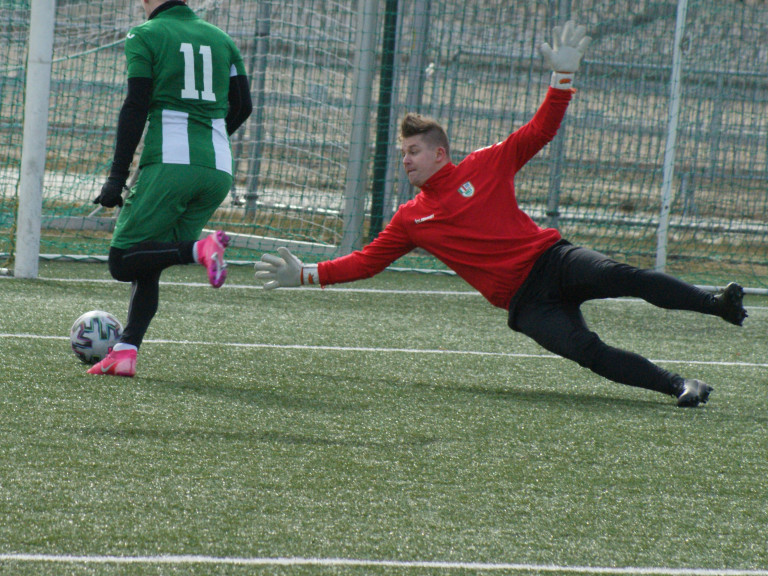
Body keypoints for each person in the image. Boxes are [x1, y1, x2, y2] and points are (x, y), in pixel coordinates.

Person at [255, 21, 747, 407]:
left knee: (628, 277)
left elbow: (539, 131)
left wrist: (562, 78)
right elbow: (366, 261)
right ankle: (681, 385)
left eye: (412, 151)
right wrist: (307, 276)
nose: (404, 159)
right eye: (402, 153)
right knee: (587, 352)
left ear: (441, 154)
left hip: (553, 259)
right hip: (525, 303)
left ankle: (716, 304)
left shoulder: (486, 163)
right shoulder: (410, 218)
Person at [89, 0, 252, 377]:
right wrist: (208, 140)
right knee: (151, 259)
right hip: (217, 165)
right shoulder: (222, 39)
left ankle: (201, 247)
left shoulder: (144, 34)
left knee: (123, 260)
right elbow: (243, 106)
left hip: (171, 164)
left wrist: (116, 178)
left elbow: (136, 105)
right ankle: (126, 351)